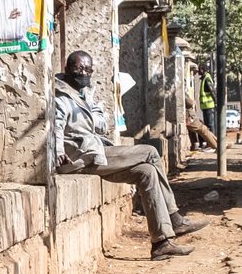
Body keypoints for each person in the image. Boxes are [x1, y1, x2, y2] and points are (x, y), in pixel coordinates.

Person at [53, 51, 202, 259]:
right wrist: (59, 151)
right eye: (79, 68)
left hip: (95, 152)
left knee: (147, 172)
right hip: (80, 157)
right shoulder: (60, 96)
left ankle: (161, 242)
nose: (84, 73)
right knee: (150, 151)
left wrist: (91, 118)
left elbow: (103, 124)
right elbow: (55, 128)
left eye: (88, 69)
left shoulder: (86, 93)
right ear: (68, 69)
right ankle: (174, 217)